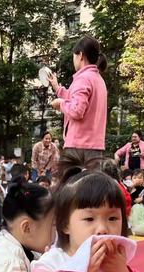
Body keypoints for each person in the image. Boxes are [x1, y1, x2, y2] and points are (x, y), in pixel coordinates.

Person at [48, 36, 108, 171]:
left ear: (80, 55)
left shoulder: (83, 78)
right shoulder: (98, 79)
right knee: (92, 189)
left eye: (73, 56)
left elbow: (77, 110)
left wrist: (60, 104)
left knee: (72, 189)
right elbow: (76, 98)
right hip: (95, 147)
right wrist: (58, 88)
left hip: (78, 147)